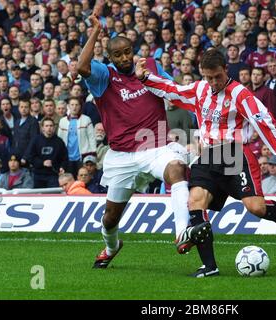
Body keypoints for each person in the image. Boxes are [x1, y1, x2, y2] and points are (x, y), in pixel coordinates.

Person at [136, 49, 276, 277]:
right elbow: (172, 90)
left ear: (226, 69)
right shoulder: (199, 89)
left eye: (218, 77)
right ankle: (210, 266)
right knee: (195, 201)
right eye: (208, 77)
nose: (213, 82)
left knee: (256, 208)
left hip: (234, 155)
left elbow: (264, 125)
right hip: (207, 156)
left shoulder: (241, 95)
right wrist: (145, 78)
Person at [77, 5, 201, 269]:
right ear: (110, 57)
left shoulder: (151, 66)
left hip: (156, 147)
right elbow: (81, 66)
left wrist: (151, 80)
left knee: (176, 169)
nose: (124, 58)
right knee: (110, 219)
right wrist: (96, 31)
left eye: (127, 52)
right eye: (118, 54)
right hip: (122, 156)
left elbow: (175, 91)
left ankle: (182, 233)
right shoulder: (104, 75)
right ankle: (112, 246)